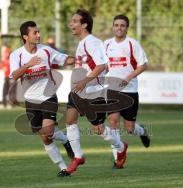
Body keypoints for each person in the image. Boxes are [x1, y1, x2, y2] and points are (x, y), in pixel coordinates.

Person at [9, 21, 75, 177]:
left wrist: (77, 58)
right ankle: (63, 167)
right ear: (25, 37)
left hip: (48, 97)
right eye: (35, 33)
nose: (38, 35)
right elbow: (14, 76)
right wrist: (28, 65)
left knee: (48, 130)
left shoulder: (45, 50)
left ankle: (66, 144)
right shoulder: (16, 55)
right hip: (31, 101)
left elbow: (64, 59)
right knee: (45, 138)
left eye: (38, 32)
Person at [65, 9, 123, 174]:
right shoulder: (82, 42)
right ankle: (78, 156)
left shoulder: (92, 42)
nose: (72, 24)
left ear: (84, 25)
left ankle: (120, 146)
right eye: (72, 21)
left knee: (99, 130)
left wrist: (84, 80)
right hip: (78, 91)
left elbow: (101, 66)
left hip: (93, 92)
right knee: (70, 121)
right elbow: (87, 64)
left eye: (75, 21)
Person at [104, 14, 150, 168]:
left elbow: (143, 65)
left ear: (127, 28)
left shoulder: (132, 44)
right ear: (113, 27)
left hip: (130, 91)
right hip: (112, 89)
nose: (119, 28)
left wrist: (129, 78)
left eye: (122, 25)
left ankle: (141, 131)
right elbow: (102, 64)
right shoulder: (106, 44)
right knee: (113, 122)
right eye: (116, 25)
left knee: (130, 128)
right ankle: (118, 159)